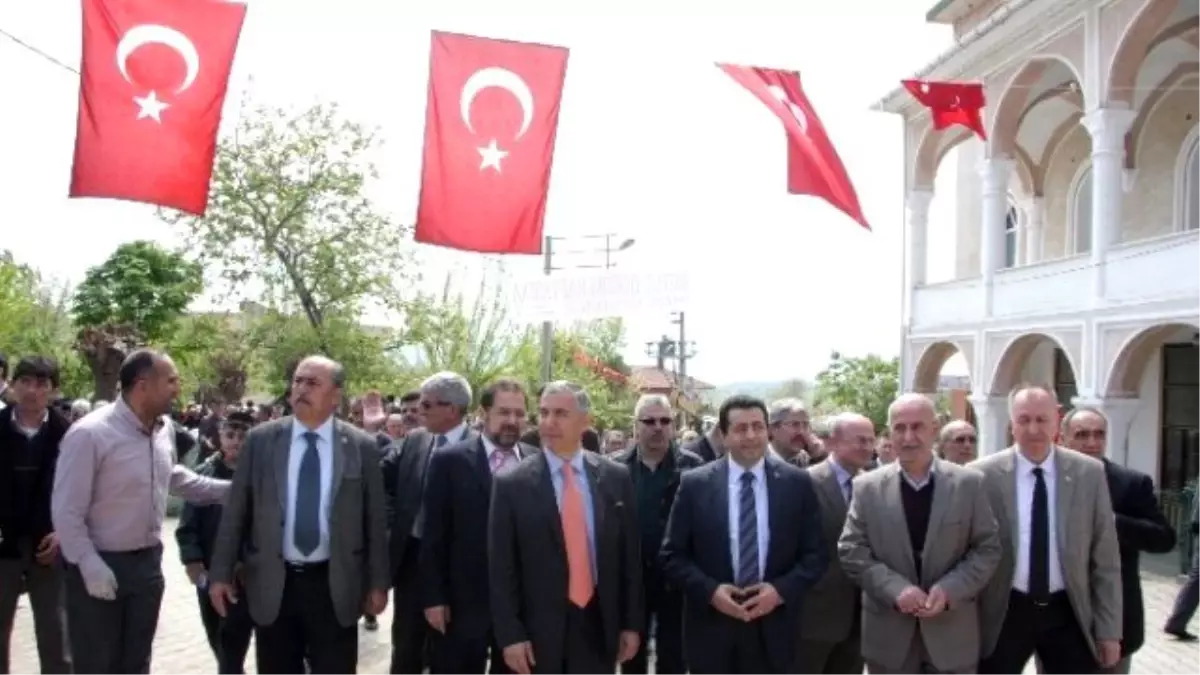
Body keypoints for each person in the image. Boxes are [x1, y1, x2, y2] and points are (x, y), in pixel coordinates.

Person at [208, 355, 391, 675]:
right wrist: (220, 573)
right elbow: (237, 509)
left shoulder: (360, 446)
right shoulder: (262, 440)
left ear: (335, 396)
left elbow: (374, 519)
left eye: (313, 383)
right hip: (273, 582)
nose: (301, 388)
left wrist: (378, 583)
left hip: (335, 584)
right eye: (298, 381)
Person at [52, 349, 230, 675]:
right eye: (171, 380)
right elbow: (66, 511)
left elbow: (171, 476)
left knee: (136, 662)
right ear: (143, 384)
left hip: (146, 567)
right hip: (99, 565)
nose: (178, 388)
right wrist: (89, 564)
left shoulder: (163, 430)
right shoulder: (90, 434)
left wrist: (228, 491)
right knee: (97, 664)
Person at [660, 394, 826, 675]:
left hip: (775, 631)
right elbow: (672, 556)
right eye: (740, 429)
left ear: (768, 431)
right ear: (724, 436)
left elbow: (816, 556)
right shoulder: (695, 485)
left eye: (757, 427)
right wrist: (711, 592)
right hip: (713, 631)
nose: (750, 436)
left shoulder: (797, 483)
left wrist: (779, 592)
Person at [489, 380, 643, 675]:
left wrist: (631, 624)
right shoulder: (512, 484)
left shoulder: (614, 478)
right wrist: (510, 635)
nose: (548, 422)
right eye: (544, 413)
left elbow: (629, 561)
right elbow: (501, 568)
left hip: (598, 625)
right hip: (537, 634)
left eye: (560, 413)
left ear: (585, 421)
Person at [838, 396, 1001, 675]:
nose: (908, 437)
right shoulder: (866, 487)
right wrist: (895, 589)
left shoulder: (969, 484)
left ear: (935, 429)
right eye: (899, 428)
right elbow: (852, 549)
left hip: (951, 635)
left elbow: (987, 548)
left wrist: (951, 589)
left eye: (917, 427)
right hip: (889, 639)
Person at [972, 384, 1122, 675]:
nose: (1033, 429)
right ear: (1011, 424)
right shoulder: (980, 475)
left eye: (1041, 419)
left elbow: (1106, 561)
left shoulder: (1089, 473)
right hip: (1005, 611)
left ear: (1057, 419)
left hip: (1067, 610)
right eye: (1023, 419)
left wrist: (1109, 631)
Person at [420, 377, 538, 675]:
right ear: (483, 414)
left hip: (520, 610)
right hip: (462, 606)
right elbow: (434, 536)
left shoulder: (537, 464)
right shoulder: (450, 461)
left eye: (519, 413)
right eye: (503, 412)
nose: (512, 421)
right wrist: (434, 597)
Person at [1060, 407, 1175, 674]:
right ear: (1064, 438)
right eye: (1082, 434)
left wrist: (1112, 522)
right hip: (1059, 620)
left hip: (1115, 620)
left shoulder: (1130, 483)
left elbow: (1164, 538)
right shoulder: (1049, 481)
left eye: (1099, 434)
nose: (1092, 442)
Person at [382, 371, 478, 675]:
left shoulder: (481, 451)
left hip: (458, 572)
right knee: (406, 647)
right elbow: (384, 483)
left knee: (450, 654)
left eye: (426, 405)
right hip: (412, 562)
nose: (417, 411)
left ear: (451, 409)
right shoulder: (414, 441)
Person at [609, 394, 704, 675]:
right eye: (649, 421)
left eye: (665, 421)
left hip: (676, 582)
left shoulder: (693, 468)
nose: (658, 427)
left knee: (674, 658)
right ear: (635, 426)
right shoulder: (613, 469)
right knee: (631, 656)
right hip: (630, 581)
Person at [0, 356, 72, 675]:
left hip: (50, 545)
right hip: (4, 543)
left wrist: (63, 533)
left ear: (54, 391)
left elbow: (81, 493)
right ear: (12, 386)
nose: (31, 390)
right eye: (24, 382)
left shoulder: (70, 435)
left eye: (41, 384)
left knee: (56, 633)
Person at [175, 410, 257, 675]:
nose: (235, 441)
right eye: (230, 435)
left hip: (246, 574)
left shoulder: (260, 477)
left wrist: (246, 560)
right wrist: (193, 560)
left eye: (242, 436)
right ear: (219, 436)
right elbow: (187, 526)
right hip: (210, 571)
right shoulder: (203, 473)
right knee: (216, 635)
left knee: (234, 639)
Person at [795, 413, 874, 675]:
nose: (867, 447)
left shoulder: (874, 485)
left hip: (862, 615)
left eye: (870, 440)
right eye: (859, 440)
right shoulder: (804, 483)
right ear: (833, 442)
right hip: (814, 617)